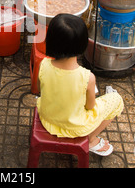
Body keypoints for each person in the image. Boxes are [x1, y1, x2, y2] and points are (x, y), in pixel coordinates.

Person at [36, 14, 124, 156]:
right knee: (116, 100)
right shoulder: (87, 77)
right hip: (74, 127)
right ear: (82, 44)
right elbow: (90, 107)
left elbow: (42, 90)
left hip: (48, 119)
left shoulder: (43, 64)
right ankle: (90, 139)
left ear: (50, 40)